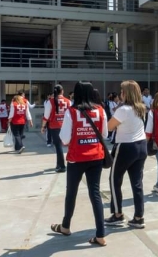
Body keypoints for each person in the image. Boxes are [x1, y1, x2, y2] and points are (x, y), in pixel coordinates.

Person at [50, 82, 108, 247]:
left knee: (72, 193)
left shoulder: (72, 112)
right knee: (95, 194)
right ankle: (101, 235)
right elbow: (104, 134)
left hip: (77, 158)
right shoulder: (100, 110)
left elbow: (65, 139)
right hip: (96, 157)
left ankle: (66, 226)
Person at [105, 80, 148, 229]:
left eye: (121, 91)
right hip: (141, 145)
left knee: (114, 180)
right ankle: (139, 217)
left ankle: (117, 215)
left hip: (125, 146)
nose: (120, 94)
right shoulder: (141, 108)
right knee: (137, 183)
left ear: (126, 93)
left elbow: (109, 127)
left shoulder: (123, 110)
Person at [42, 85, 72, 173]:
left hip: (55, 126)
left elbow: (46, 116)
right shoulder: (68, 101)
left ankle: (61, 165)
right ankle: (65, 163)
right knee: (69, 144)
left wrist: (43, 126)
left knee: (58, 146)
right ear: (62, 91)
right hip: (66, 125)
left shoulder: (50, 101)